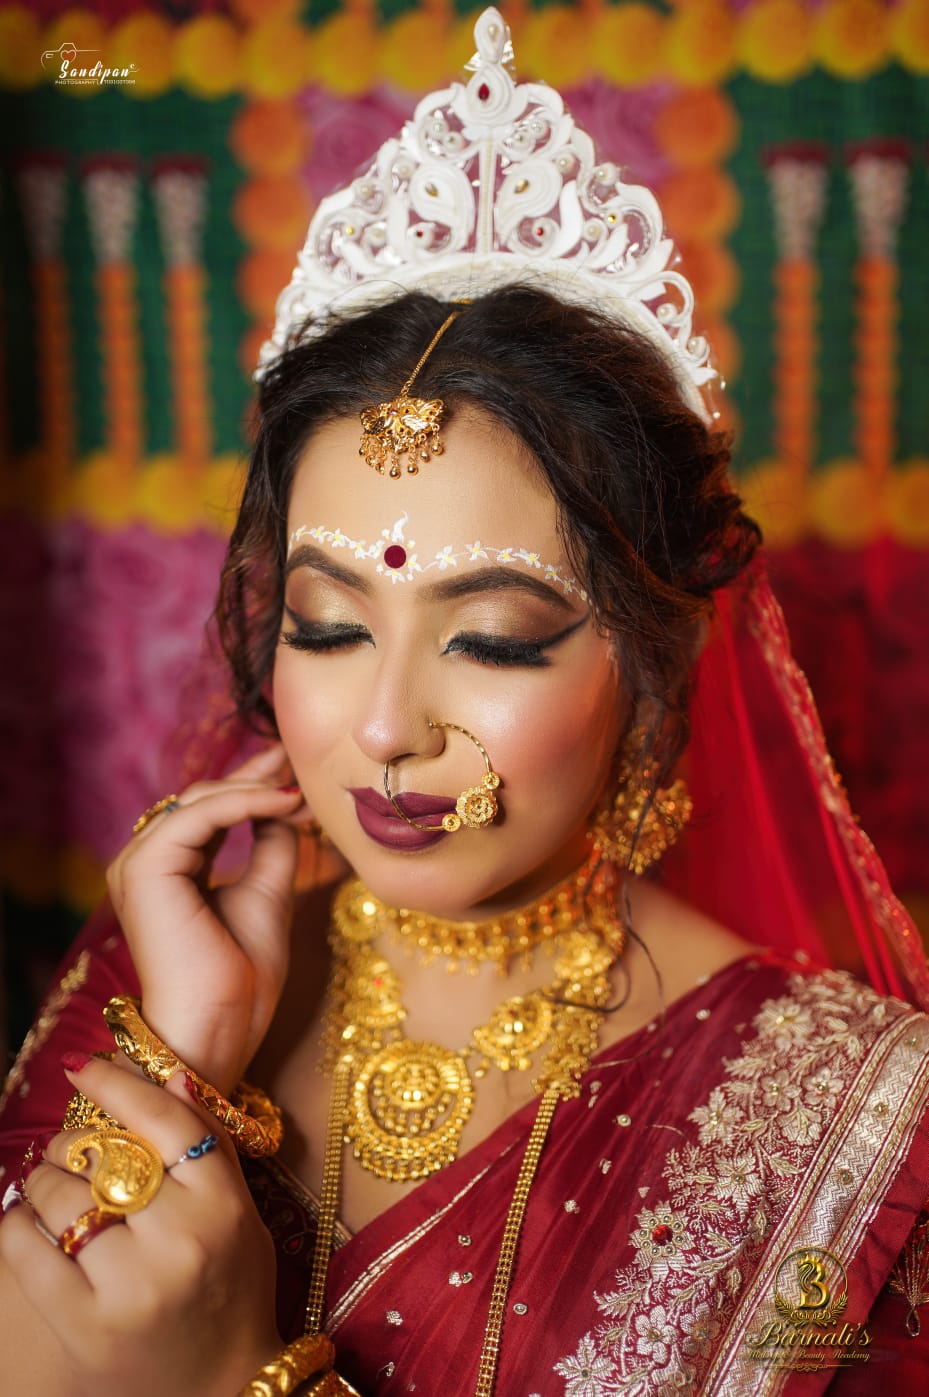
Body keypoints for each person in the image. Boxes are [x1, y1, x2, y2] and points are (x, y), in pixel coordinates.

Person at [1, 9, 929, 1394]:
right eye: (323, 625)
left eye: (491, 640)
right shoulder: (158, 984)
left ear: (654, 658)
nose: (380, 727)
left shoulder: (853, 1118)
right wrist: (183, 1062)